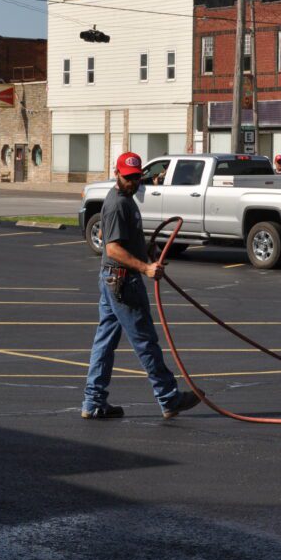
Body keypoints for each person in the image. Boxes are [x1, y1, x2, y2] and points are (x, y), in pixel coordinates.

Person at [82, 151, 202, 420]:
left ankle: (93, 401)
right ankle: (168, 397)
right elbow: (111, 248)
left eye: (137, 177)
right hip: (123, 281)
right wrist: (146, 267)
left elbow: (106, 232)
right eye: (128, 178)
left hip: (113, 280)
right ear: (117, 174)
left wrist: (143, 246)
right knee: (145, 340)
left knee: (104, 341)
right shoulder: (117, 203)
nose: (133, 182)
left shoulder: (124, 199)